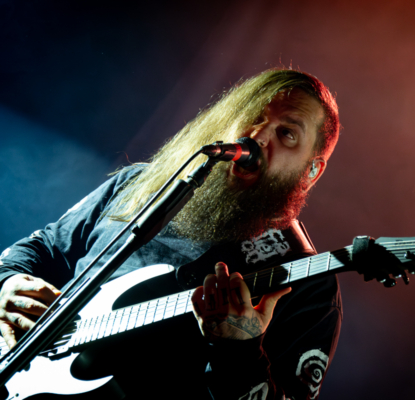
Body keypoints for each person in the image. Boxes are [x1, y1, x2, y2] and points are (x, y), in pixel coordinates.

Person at [0, 69, 342, 399]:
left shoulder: (308, 281)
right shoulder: (141, 185)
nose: (258, 136)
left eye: (287, 134)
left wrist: (239, 353)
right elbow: (45, 246)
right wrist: (9, 281)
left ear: (312, 170)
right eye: (254, 116)